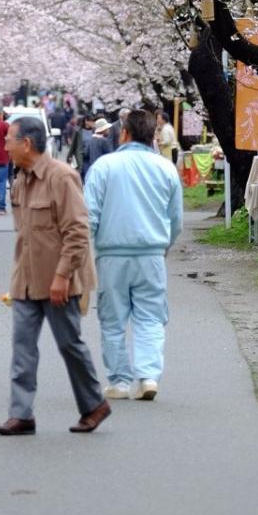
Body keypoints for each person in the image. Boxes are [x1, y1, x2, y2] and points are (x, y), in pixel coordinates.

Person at [0, 117, 109, 436]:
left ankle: (94, 405)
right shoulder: (20, 180)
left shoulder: (62, 177)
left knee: (70, 344)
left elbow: (77, 230)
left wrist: (62, 276)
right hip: (27, 280)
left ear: (26, 144)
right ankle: (21, 414)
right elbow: (26, 236)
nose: (4, 146)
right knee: (22, 346)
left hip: (61, 280)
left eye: (8, 140)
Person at [84, 108, 183, 402]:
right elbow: (175, 218)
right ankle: (148, 376)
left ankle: (119, 381)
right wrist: (165, 246)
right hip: (152, 252)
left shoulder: (104, 166)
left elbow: (88, 215)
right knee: (151, 316)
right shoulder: (166, 168)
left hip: (112, 253)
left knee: (113, 319)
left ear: (124, 133)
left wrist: (82, 252)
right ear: (154, 135)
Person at [82, 117, 113, 181]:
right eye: (107, 129)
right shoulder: (104, 141)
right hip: (104, 170)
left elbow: (86, 154)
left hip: (93, 169)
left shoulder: (91, 139)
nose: (108, 130)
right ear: (103, 130)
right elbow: (110, 156)